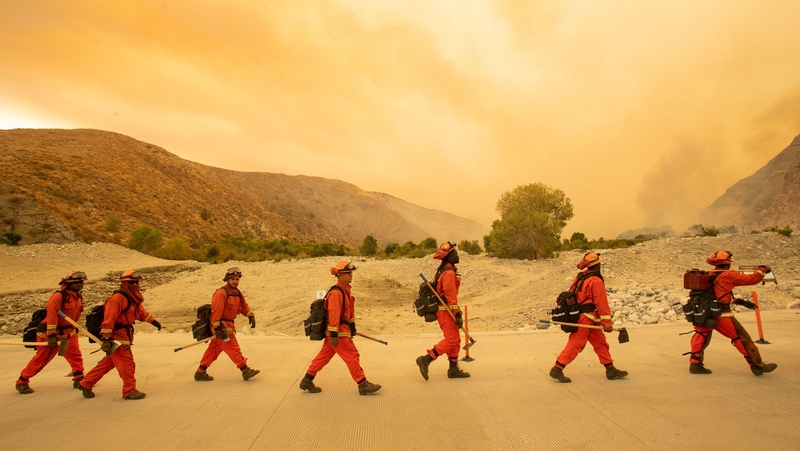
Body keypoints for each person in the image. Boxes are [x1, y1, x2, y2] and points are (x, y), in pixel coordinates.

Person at [299, 261, 381, 395]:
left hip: (340, 330)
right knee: (352, 355)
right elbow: (334, 314)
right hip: (338, 331)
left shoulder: (345, 291)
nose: (351, 275)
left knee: (323, 356)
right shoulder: (337, 293)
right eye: (348, 273)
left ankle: (307, 380)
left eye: (351, 273)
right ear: (340, 276)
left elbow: (349, 312)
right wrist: (334, 335)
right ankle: (362, 383)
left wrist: (353, 327)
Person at [687, 251, 776, 376]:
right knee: (741, 337)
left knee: (701, 335)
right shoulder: (729, 275)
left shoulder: (708, 274)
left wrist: (738, 301)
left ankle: (695, 364)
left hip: (703, 312)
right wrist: (762, 270)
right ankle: (757, 365)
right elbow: (752, 279)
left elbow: (713, 294)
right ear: (728, 263)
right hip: (720, 313)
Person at [78, 270, 161, 400]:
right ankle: (129, 390)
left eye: (136, 282)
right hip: (118, 337)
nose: (136, 285)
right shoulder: (116, 300)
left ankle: (86, 383)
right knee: (127, 364)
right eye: (132, 282)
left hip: (125, 336)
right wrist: (106, 339)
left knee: (110, 363)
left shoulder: (131, 298)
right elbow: (108, 320)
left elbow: (139, 312)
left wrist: (152, 321)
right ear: (124, 284)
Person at [549, 252, 628, 383]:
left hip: (587, 318)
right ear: (597, 265)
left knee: (600, 342)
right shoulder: (596, 281)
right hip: (586, 318)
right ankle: (557, 368)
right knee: (576, 343)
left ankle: (610, 369)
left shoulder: (580, 277)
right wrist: (607, 323)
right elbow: (601, 303)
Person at [16, 271, 87, 394]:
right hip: (50, 332)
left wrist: (74, 327)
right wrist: (51, 335)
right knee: (42, 358)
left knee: (75, 354)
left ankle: (79, 377)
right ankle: (22, 381)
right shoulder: (58, 297)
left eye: (82, 282)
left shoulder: (79, 297)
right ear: (69, 284)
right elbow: (52, 316)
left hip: (68, 331)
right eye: (77, 283)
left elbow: (76, 314)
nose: (81, 285)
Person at [415, 241, 470, 381]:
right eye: (455, 252)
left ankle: (453, 369)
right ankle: (426, 359)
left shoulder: (445, 269)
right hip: (445, 311)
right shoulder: (449, 273)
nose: (457, 255)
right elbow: (450, 296)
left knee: (455, 339)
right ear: (449, 255)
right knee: (451, 339)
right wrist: (457, 314)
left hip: (445, 309)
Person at [194, 267, 259, 382]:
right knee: (233, 348)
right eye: (233, 279)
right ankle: (245, 370)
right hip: (221, 326)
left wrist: (250, 315)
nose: (235, 281)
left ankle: (200, 371)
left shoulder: (237, 293)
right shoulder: (221, 293)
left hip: (228, 324)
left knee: (214, 350)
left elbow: (244, 306)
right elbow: (216, 311)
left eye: (237, 279)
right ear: (227, 280)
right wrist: (216, 328)